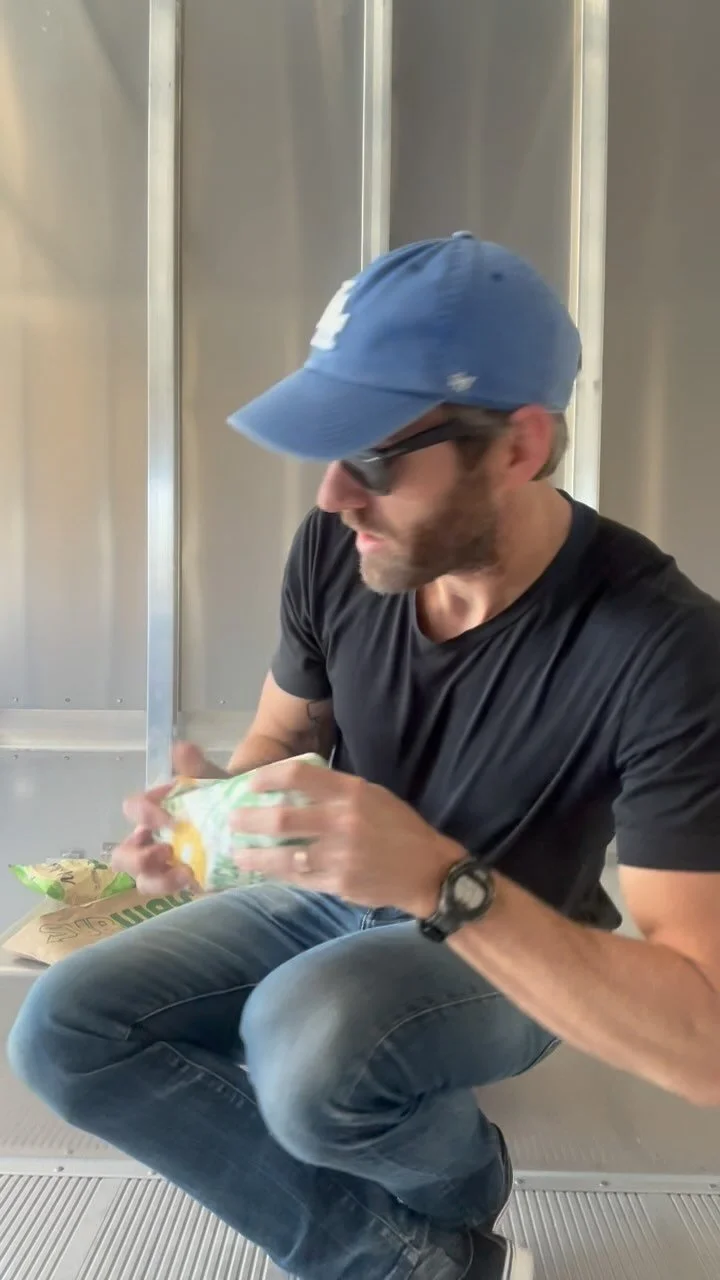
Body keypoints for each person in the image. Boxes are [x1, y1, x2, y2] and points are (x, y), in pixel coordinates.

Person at [8, 233, 720, 1280]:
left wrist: (435, 875)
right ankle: (416, 1259)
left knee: (306, 1041)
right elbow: (282, 739)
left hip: (517, 938)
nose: (336, 494)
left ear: (518, 447)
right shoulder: (342, 550)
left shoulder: (667, 647)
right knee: (62, 1028)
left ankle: (462, 1185)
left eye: (375, 457)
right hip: (329, 899)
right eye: (327, 450)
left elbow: (701, 1040)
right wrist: (211, 817)